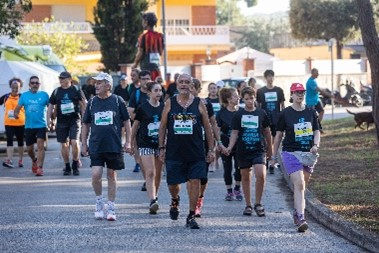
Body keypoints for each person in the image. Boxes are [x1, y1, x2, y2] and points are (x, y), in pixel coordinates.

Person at [158, 73, 215, 229]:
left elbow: (208, 128)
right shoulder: (170, 103)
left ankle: (191, 215)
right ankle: (175, 200)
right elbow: (162, 126)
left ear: (192, 85)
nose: (183, 84)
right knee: (173, 183)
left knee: (195, 180)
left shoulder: (199, 103)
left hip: (196, 151)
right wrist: (161, 147)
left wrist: (211, 149)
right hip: (174, 151)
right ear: (177, 84)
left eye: (187, 82)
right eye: (181, 82)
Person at [81, 72, 132, 221]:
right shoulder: (91, 102)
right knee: (96, 174)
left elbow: (127, 122)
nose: (96, 85)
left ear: (108, 85)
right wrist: (83, 143)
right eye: (95, 83)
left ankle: (111, 206)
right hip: (96, 144)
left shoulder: (118, 101)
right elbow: (86, 124)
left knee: (111, 175)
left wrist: (128, 141)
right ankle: (99, 201)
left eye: (99, 83)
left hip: (113, 144)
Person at [271, 82, 320, 232]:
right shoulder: (285, 113)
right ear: (291, 94)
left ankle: (296, 211)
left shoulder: (311, 112)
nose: (300, 95)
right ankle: (301, 217)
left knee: (302, 185)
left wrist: (316, 145)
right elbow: (278, 135)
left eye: (302, 92)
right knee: (299, 184)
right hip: (290, 153)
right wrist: (273, 156)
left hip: (307, 153)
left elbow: (317, 131)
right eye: (297, 92)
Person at [225, 86, 272, 217]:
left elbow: (267, 132)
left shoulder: (261, 113)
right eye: (246, 99)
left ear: (254, 98)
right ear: (242, 99)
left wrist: (270, 149)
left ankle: (258, 203)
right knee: (245, 176)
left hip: (258, 149)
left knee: (261, 173)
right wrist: (229, 147)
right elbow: (234, 132)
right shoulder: (238, 114)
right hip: (243, 150)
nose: (250, 101)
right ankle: (248, 204)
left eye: (251, 98)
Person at [131, 81, 164, 214]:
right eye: (156, 90)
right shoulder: (143, 108)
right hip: (145, 143)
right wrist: (130, 142)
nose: (159, 93)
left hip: (160, 145)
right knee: (150, 172)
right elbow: (135, 126)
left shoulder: (164, 107)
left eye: (160, 90)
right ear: (149, 93)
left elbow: (166, 127)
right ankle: (152, 200)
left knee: (158, 174)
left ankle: (155, 196)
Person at [191, 78, 221, 217]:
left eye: (192, 88)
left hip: (203, 143)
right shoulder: (180, 104)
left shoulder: (206, 103)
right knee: (191, 177)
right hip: (187, 144)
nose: (189, 91)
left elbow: (213, 124)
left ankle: (199, 198)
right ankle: (192, 205)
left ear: (198, 90)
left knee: (202, 177)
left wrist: (217, 142)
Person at [47, 71, 87, 176]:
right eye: (60, 78)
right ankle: (67, 166)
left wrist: (86, 118)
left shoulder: (76, 89)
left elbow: (84, 103)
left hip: (75, 119)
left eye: (63, 78)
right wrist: (49, 120)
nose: (61, 80)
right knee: (64, 144)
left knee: (74, 142)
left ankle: (75, 162)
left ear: (70, 79)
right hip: (61, 121)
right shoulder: (56, 91)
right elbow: (51, 106)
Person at [14, 76, 49, 176]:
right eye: (32, 83)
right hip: (29, 126)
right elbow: (17, 108)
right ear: (29, 85)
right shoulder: (24, 96)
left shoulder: (44, 95)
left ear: (39, 85)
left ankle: (40, 168)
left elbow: (51, 107)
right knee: (29, 149)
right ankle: (34, 160)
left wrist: (51, 120)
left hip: (41, 125)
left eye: (36, 83)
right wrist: (16, 114)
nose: (34, 85)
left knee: (40, 146)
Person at [256, 70, 285, 174]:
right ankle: (267, 159)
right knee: (265, 141)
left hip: (276, 119)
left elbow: (282, 105)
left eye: (272, 76)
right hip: (265, 119)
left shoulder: (279, 90)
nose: (270, 78)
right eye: (268, 76)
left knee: (275, 140)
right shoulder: (260, 91)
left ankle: (272, 161)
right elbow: (258, 107)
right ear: (265, 78)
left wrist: (283, 118)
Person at [216, 87, 242, 201]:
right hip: (225, 144)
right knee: (227, 168)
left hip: (239, 145)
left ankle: (237, 188)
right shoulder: (221, 114)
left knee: (239, 167)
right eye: (235, 96)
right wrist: (220, 144)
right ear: (228, 99)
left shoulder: (241, 112)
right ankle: (229, 191)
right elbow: (217, 130)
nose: (238, 98)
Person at [0, 78, 25, 168]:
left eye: (17, 87)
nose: (15, 89)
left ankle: (20, 160)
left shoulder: (23, 97)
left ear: (20, 87)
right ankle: (9, 160)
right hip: (9, 123)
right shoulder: (6, 97)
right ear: (10, 87)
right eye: (13, 87)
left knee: (20, 141)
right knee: (9, 141)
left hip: (20, 123)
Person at [132, 12, 164, 81]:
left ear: (146, 22)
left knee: (146, 87)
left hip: (146, 70)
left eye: (143, 21)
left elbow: (140, 53)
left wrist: (135, 64)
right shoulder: (160, 36)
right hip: (156, 69)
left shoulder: (143, 36)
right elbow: (161, 53)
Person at [305, 68, 330, 134]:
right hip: (310, 102)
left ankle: (317, 126)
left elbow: (318, 90)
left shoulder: (314, 80)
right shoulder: (310, 81)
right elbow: (318, 89)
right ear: (313, 73)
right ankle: (312, 130)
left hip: (316, 100)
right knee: (311, 117)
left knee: (321, 111)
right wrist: (328, 94)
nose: (318, 74)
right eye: (317, 73)